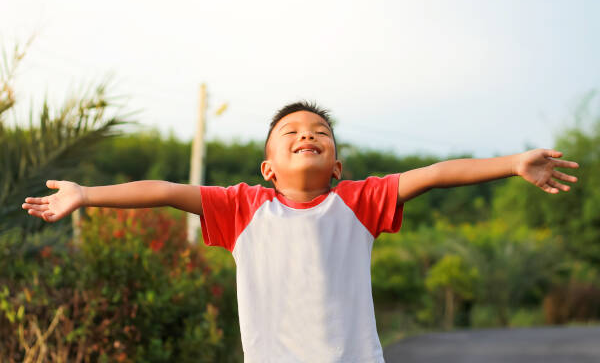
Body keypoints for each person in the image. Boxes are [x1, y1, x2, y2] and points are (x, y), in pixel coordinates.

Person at [22, 101, 579, 362]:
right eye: (290, 132)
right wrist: (86, 194)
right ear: (267, 167)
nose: (306, 135)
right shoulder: (242, 208)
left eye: (320, 132)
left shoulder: (359, 201)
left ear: (337, 165)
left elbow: (433, 175)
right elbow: (165, 190)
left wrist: (511, 163)